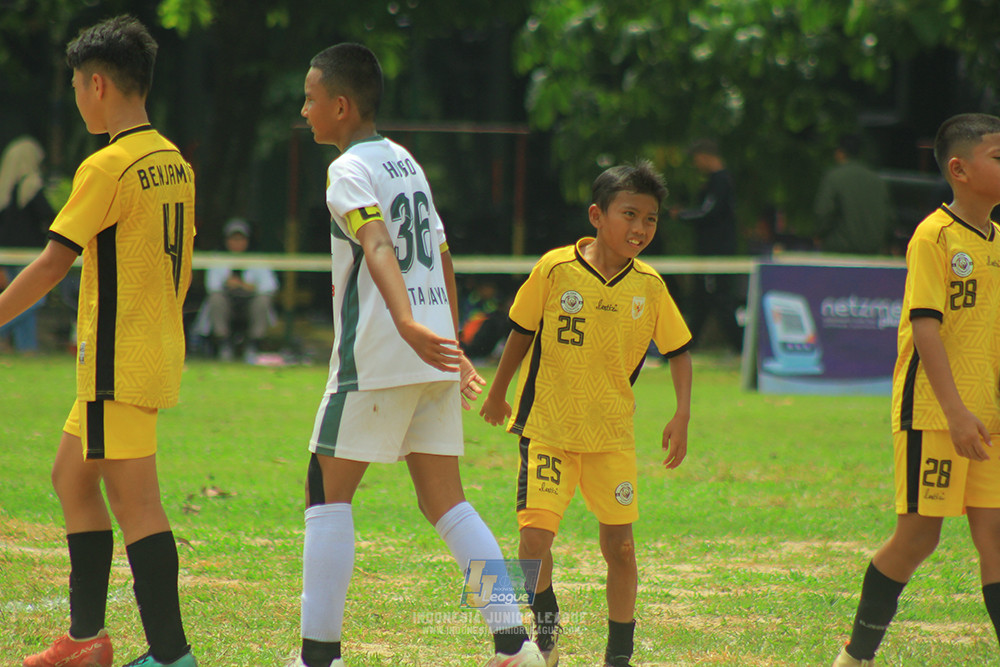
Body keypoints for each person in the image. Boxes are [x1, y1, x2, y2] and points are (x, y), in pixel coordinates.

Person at [294, 43, 544, 667]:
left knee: (326, 494)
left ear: (341, 106)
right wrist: (450, 341)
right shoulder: (405, 160)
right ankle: (515, 646)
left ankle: (318, 657)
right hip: (431, 352)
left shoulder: (347, 169)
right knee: (446, 500)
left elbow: (377, 242)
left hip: (383, 353)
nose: (304, 110)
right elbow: (442, 255)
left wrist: (405, 323)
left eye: (311, 98)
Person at [0, 15, 198, 667]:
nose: (78, 98)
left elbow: (52, 263)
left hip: (118, 361)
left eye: (76, 86)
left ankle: (171, 655)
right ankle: (87, 641)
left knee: (138, 506)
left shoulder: (109, 165)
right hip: (141, 353)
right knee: (71, 477)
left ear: (97, 84)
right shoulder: (172, 160)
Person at [481, 160, 694, 667]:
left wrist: (682, 415)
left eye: (650, 219)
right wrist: (498, 392)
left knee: (621, 549)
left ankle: (618, 656)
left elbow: (680, 352)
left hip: (611, 436)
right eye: (629, 215)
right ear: (598, 216)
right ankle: (547, 628)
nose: (640, 228)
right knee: (533, 541)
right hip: (548, 428)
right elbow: (520, 331)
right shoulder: (556, 268)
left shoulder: (650, 286)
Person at [831, 113, 1000, 666]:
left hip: (990, 418)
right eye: (998, 156)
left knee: (996, 537)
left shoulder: (999, 241)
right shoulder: (934, 236)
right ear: (960, 169)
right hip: (935, 412)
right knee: (919, 538)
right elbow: (925, 327)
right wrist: (955, 413)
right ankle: (855, 656)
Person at [672, 138, 743, 352]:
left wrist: (681, 215)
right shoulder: (717, 181)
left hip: (716, 253)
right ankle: (683, 347)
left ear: (704, 156)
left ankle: (742, 347)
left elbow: (708, 212)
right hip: (710, 252)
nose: (695, 164)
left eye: (696, 158)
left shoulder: (720, 181)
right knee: (701, 300)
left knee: (719, 300)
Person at [0, 136, 57, 352]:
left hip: (7, 254)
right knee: (32, 300)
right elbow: (49, 215)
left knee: (20, 298)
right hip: (29, 254)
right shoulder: (31, 185)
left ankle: (27, 347)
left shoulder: (5, 188)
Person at [197, 217, 278, 361]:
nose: (237, 243)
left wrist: (248, 286)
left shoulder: (258, 258)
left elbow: (270, 285)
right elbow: (211, 285)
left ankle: (253, 345)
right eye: (233, 239)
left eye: (241, 239)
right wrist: (227, 283)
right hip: (228, 301)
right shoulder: (217, 257)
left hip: (250, 302)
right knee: (216, 299)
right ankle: (223, 344)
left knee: (263, 301)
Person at [814, 134, 896, 254]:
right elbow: (890, 218)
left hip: (839, 250)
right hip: (872, 251)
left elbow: (824, 212)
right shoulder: (876, 180)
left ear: (840, 153)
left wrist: (819, 234)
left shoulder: (834, 177)